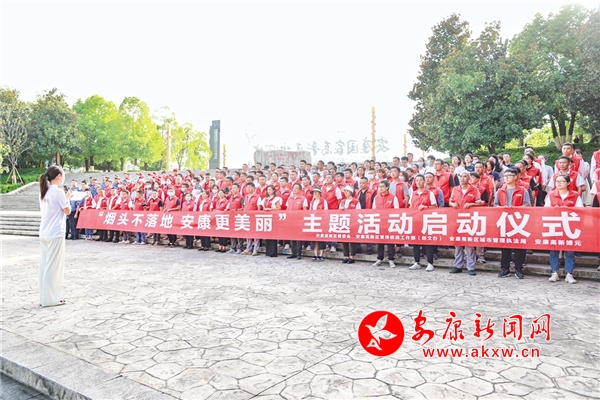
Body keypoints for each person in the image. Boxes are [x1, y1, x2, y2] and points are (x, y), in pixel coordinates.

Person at [38, 165, 71, 307]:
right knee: (54, 267)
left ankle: (44, 298)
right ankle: (52, 299)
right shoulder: (57, 192)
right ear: (59, 176)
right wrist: (67, 198)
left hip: (44, 232)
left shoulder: (43, 191)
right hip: (55, 232)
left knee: (45, 265)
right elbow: (67, 211)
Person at [545, 174, 583, 284]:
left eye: (562, 181)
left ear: (568, 183)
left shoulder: (575, 195)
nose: (559, 183)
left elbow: (580, 210)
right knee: (554, 250)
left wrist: (569, 210)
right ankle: (554, 272)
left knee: (570, 250)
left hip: (570, 226)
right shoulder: (551, 194)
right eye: (557, 181)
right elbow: (545, 210)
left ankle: (569, 274)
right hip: (554, 225)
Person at [495, 168, 531, 279]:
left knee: (520, 246)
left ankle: (518, 269)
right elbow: (495, 205)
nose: (506, 178)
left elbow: (527, 205)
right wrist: (503, 208)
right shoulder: (500, 191)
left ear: (515, 177)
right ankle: (505, 268)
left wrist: (515, 208)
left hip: (519, 222)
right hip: (504, 221)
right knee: (505, 246)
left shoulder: (522, 190)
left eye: (509, 175)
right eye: (505, 176)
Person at [449, 171, 483, 276]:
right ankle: (458, 266)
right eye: (461, 176)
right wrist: (452, 204)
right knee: (458, 244)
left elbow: (480, 202)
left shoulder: (474, 189)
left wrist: (471, 204)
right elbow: (450, 201)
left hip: (469, 220)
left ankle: (471, 267)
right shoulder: (455, 189)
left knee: (469, 244)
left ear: (469, 178)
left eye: (465, 176)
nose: (462, 178)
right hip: (457, 219)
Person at [408, 174, 438, 272]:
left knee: (427, 242)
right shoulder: (413, 193)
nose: (419, 182)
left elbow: (435, 206)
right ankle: (416, 262)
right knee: (415, 242)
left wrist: (426, 207)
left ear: (424, 181)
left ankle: (430, 263)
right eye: (417, 180)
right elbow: (410, 206)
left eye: (421, 180)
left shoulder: (429, 193)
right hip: (415, 221)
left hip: (426, 221)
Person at [372, 180, 400, 268]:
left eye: (382, 186)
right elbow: (374, 209)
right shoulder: (376, 197)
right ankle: (379, 258)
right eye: (379, 187)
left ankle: (391, 259)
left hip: (390, 222)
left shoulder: (393, 197)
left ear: (387, 187)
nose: (381, 188)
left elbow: (396, 210)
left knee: (390, 241)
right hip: (380, 222)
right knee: (380, 241)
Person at [339, 186, 360, 264]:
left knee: (352, 239)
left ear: (351, 192)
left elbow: (358, 211)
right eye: (345, 191)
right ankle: (346, 255)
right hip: (344, 221)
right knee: (344, 239)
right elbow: (338, 211)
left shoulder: (356, 201)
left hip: (353, 222)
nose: (346, 193)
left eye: (347, 191)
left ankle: (352, 256)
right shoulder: (343, 201)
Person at [260, 185, 282, 257]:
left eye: (270, 189)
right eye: (268, 190)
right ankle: (268, 251)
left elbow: (279, 208)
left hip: (273, 218)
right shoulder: (265, 199)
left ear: (273, 190)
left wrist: (271, 209)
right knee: (267, 235)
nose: (269, 191)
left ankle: (273, 252)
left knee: (273, 235)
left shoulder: (276, 198)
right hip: (266, 218)